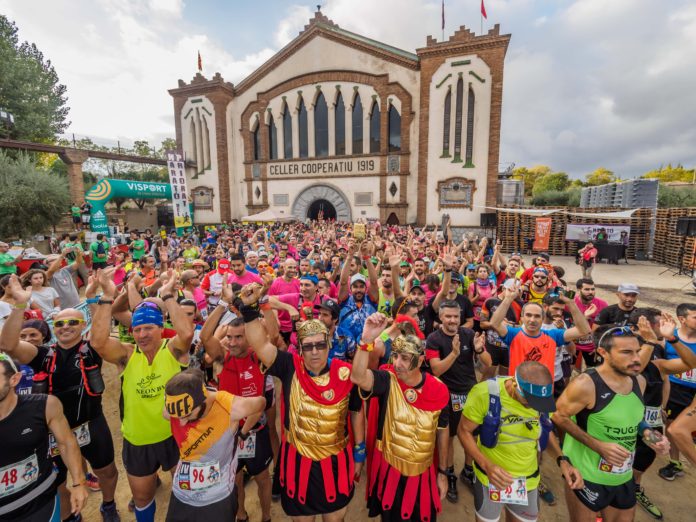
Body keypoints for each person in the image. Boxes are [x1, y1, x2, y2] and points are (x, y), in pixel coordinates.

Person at [240, 282, 365, 522]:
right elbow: (260, 344)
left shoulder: (346, 373)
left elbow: (356, 411)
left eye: (320, 344)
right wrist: (249, 311)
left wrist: (359, 454)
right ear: (301, 350)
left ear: (328, 344)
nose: (315, 351)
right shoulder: (290, 366)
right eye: (308, 347)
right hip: (298, 461)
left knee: (335, 518)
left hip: (336, 461)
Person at [0, 275, 121, 521]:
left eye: (71, 322)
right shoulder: (43, 354)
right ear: (53, 329)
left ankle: (108, 504)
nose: (65, 326)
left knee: (106, 470)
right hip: (54, 431)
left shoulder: (91, 349)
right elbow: (9, 345)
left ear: (81, 325)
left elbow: (98, 337)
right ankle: (71, 517)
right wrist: (21, 306)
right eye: (60, 323)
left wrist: (102, 298)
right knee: (58, 481)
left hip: (91, 422)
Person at [89, 267, 194, 522]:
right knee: (142, 499)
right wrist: (106, 296)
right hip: (138, 441)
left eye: (148, 328)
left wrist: (168, 294)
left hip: (175, 436)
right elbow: (98, 343)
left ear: (161, 328)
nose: (142, 334)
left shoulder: (172, 350)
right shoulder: (126, 355)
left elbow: (187, 333)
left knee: (187, 493)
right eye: (137, 330)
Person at [553, 325, 670, 522]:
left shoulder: (639, 381)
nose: (635, 358)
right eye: (626, 352)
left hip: (623, 476)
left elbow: (633, 418)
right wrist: (598, 446)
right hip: (587, 476)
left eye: (637, 351)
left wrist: (651, 436)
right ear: (603, 352)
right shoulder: (585, 384)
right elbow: (558, 416)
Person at [351, 313, 450, 521]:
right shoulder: (387, 379)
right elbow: (358, 377)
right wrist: (366, 342)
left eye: (405, 358)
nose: (397, 363)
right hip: (391, 472)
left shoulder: (439, 390)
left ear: (420, 360)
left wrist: (443, 472)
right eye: (395, 356)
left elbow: (442, 431)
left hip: (422, 473)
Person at [458, 361, 583, 522]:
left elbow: (544, 430)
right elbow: (464, 431)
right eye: (529, 401)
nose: (533, 407)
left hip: (528, 480)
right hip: (489, 479)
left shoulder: (540, 400)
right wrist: (487, 465)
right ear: (515, 385)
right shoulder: (485, 393)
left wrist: (562, 459)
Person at [199, 294, 275, 522]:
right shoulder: (223, 356)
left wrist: (262, 304)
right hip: (229, 430)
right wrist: (222, 305)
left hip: (254, 430)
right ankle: (240, 512)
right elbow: (204, 336)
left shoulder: (260, 356)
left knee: (262, 478)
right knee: (236, 477)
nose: (232, 342)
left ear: (249, 338)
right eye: (229, 337)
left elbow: (272, 333)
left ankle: (267, 516)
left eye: (238, 337)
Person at [163, 369, 266, 521]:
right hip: (182, 493)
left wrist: (242, 433)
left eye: (187, 415)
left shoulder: (230, 407)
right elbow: (166, 413)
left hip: (217, 499)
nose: (182, 422)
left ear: (203, 400)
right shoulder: (173, 406)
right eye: (177, 416)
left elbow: (261, 403)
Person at [0, 353, 89, 522]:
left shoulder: (46, 405)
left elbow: (66, 442)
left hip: (41, 504)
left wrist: (79, 483)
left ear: (14, 379)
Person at [426, 300, 490, 502]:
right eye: (448, 316)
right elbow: (436, 370)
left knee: (473, 434)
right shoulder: (433, 339)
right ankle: (450, 473)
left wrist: (479, 350)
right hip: (446, 394)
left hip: (471, 393)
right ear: (441, 318)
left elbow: (488, 364)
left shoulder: (470, 335)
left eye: (456, 316)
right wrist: (454, 353)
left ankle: (468, 470)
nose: (453, 320)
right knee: (450, 437)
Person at [488, 284, 591, 380]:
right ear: (522, 318)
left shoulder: (554, 335)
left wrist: (571, 303)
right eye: (528, 315)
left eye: (537, 316)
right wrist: (508, 299)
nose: (532, 320)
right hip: (518, 387)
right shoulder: (513, 334)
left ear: (542, 318)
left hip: (545, 388)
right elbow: (494, 323)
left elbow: (584, 330)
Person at [660, 302, 696, 480]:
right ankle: (675, 463)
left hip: (694, 394)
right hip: (673, 389)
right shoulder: (667, 337)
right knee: (671, 427)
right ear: (682, 319)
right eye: (695, 317)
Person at [573, 278, 607, 369]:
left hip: (592, 346)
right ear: (578, 290)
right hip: (573, 344)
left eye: (593, 289)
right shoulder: (571, 303)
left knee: (593, 370)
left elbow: (605, 327)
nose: (591, 292)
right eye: (587, 289)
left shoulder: (602, 304)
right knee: (568, 371)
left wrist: (598, 345)